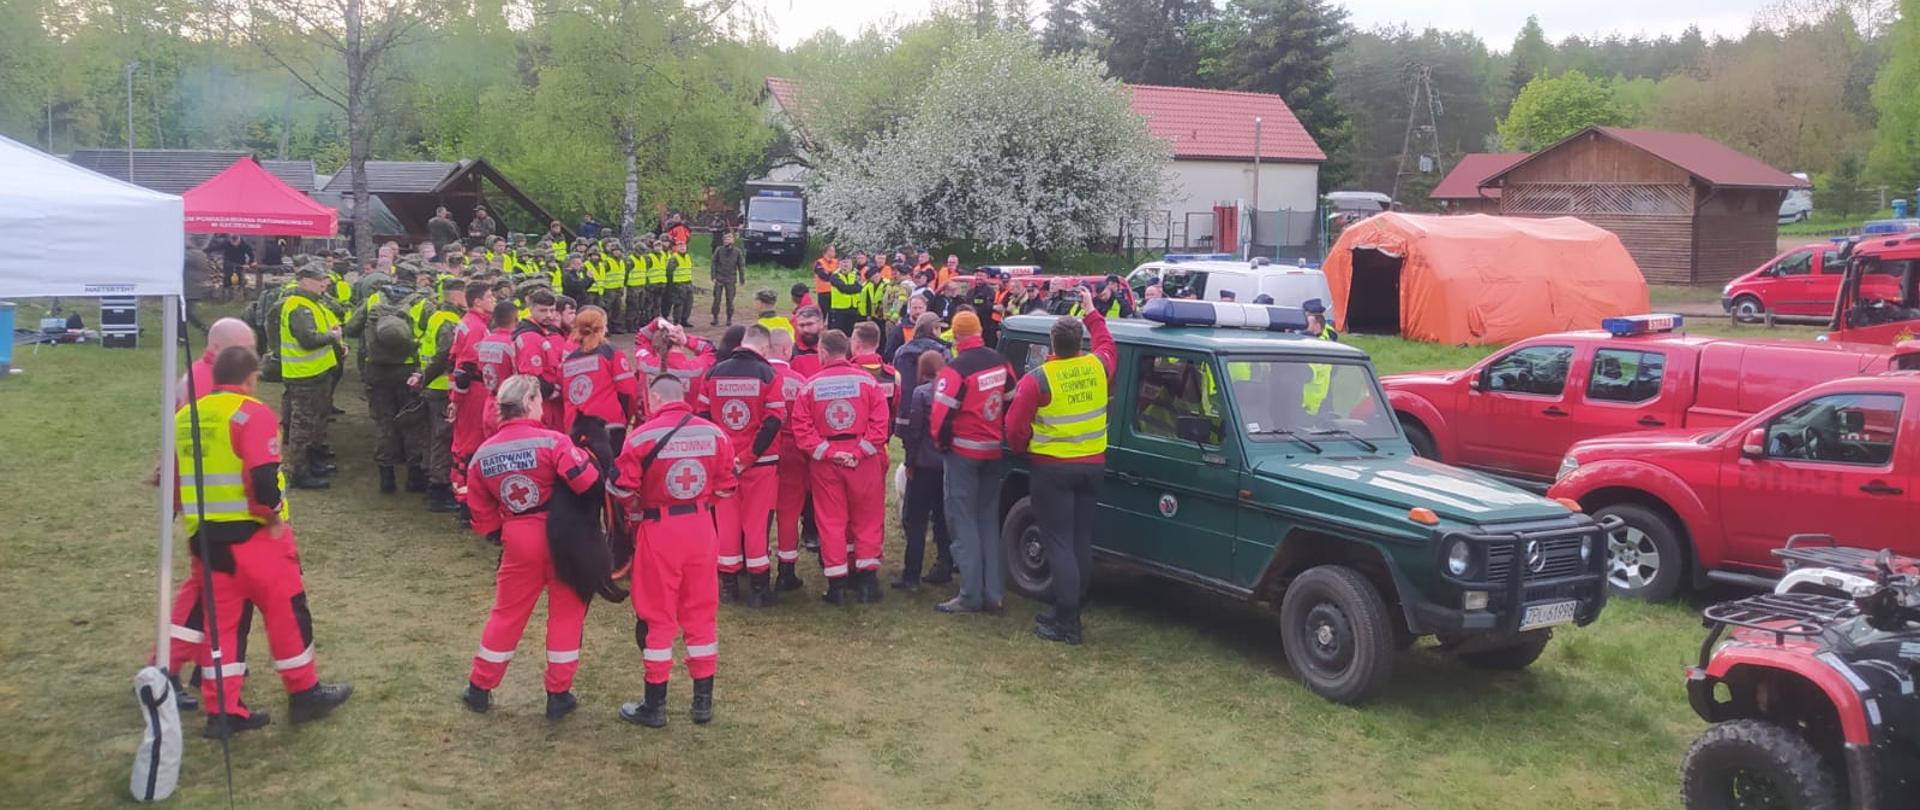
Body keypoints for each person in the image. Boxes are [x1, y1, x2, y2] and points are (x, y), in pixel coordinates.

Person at [176, 346, 353, 737]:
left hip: (206, 540)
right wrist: (271, 514)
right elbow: (262, 477)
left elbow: (176, 476)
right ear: (250, 376)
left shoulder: (187, 416)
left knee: (224, 627)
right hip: (255, 539)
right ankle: (304, 693)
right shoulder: (251, 413)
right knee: (287, 614)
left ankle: (222, 710)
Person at [459, 375, 603, 721]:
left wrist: (503, 530)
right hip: (563, 537)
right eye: (539, 400)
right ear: (529, 403)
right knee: (566, 614)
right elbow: (587, 483)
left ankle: (479, 688)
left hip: (517, 538)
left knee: (506, 614)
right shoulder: (553, 442)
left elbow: (480, 515)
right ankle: (558, 694)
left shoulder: (483, 454)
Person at [612, 375, 737, 728]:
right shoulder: (714, 434)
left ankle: (655, 704)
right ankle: (702, 703)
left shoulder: (641, 436)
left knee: (657, 616)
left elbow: (622, 489)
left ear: (654, 397)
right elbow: (727, 486)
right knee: (701, 613)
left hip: (660, 530)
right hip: (701, 528)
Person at [1005, 290, 1117, 645]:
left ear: (1051, 342)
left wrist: (1024, 450)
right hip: (1092, 466)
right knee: (1080, 539)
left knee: (1058, 543)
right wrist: (1091, 311)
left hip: (1053, 469)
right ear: (1079, 342)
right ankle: (1070, 605)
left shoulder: (1038, 379)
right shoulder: (1097, 366)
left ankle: (1068, 622)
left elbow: (1014, 427)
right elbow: (1107, 344)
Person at [788, 329, 891, 605]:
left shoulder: (810, 386)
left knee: (831, 521)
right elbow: (880, 426)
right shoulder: (868, 382)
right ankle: (868, 581)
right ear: (847, 350)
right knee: (867, 518)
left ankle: (837, 585)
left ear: (822, 351)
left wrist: (829, 453)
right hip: (863, 459)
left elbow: (802, 428)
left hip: (827, 463)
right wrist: (858, 453)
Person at [928, 310, 1014, 612]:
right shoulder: (1000, 361)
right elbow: (1011, 400)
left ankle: (970, 595)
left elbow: (939, 417)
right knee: (988, 521)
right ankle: (994, 593)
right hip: (993, 451)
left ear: (958, 335)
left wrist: (942, 445)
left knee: (962, 522)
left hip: (963, 454)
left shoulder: (956, 369)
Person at [698, 325, 785, 607]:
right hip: (760, 464)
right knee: (756, 525)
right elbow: (773, 421)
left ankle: (729, 587)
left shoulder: (712, 373)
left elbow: (703, 418)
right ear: (764, 348)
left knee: (726, 525)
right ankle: (759, 589)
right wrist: (748, 457)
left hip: (723, 464)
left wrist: (723, 457)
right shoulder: (769, 375)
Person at [344, 265, 429, 494]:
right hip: (409, 370)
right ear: (417, 279)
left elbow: (351, 328)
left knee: (384, 422)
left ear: (394, 277)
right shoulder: (423, 303)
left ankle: (387, 478)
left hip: (377, 369)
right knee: (412, 423)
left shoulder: (374, 298)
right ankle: (414, 478)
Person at [279, 266, 346, 489]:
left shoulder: (312, 303)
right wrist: (332, 336)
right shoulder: (299, 306)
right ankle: (298, 471)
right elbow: (308, 339)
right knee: (303, 424)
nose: (323, 285)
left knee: (316, 420)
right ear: (305, 281)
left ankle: (312, 460)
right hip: (304, 375)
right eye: (319, 281)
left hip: (317, 372)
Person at [895, 349, 953, 591]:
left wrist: (909, 462)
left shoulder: (921, 394)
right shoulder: (952, 391)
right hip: (947, 465)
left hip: (923, 466)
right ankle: (944, 565)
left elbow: (914, 432)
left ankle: (911, 576)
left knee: (915, 520)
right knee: (942, 519)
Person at [447, 282, 501, 526]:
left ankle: (468, 503)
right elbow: (465, 368)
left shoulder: (471, 323)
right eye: (489, 296)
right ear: (477, 301)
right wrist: (457, 401)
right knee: (470, 447)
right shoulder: (476, 327)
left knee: (468, 445)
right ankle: (467, 507)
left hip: (472, 391)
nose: (494, 300)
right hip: (473, 393)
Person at [561, 306, 637, 469]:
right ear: (602, 328)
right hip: (609, 424)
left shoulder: (569, 360)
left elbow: (567, 397)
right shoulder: (611, 353)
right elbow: (628, 391)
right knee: (611, 471)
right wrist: (625, 417)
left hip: (577, 427)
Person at [764, 328, 809, 592]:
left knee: (757, 514)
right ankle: (786, 571)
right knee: (789, 514)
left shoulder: (758, 379)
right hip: (793, 451)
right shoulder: (800, 381)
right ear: (786, 350)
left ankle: (751, 565)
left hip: (760, 452)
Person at [512, 289, 567, 432]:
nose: (549, 315)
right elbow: (532, 379)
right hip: (544, 404)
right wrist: (556, 390)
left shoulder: (549, 331)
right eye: (543, 311)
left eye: (552, 310)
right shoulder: (529, 337)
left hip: (553, 401)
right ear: (531, 309)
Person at [892, 312, 948, 436]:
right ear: (934, 329)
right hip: (932, 412)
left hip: (905, 414)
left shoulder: (901, 351)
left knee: (911, 451)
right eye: (939, 328)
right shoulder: (941, 351)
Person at [710, 231, 746, 326]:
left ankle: (729, 318)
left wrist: (742, 278)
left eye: (729, 238)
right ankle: (715, 318)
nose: (727, 240)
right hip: (719, 278)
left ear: (733, 240)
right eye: (726, 239)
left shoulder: (737, 251)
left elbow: (741, 266)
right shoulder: (719, 250)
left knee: (730, 300)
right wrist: (713, 276)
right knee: (716, 299)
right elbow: (713, 263)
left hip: (731, 279)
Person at [884, 294, 930, 359]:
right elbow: (889, 354)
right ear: (909, 309)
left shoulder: (930, 328)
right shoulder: (899, 329)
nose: (918, 311)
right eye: (915, 308)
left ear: (926, 308)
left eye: (920, 308)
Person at [666, 241, 696, 327]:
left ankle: (684, 320)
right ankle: (677, 321)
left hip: (688, 283)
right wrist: (673, 285)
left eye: (684, 246)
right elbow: (669, 272)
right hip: (678, 284)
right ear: (677, 248)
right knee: (679, 304)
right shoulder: (674, 258)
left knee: (688, 304)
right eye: (680, 246)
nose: (682, 248)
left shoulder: (687, 257)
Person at [218, 235, 253, 303]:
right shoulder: (226, 244)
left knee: (240, 281)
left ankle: (239, 298)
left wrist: (251, 262)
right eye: (233, 243)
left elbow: (250, 253)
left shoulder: (244, 244)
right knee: (227, 280)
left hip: (240, 264)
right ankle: (226, 298)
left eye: (236, 242)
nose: (235, 244)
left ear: (239, 240)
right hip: (229, 266)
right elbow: (226, 259)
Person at [811, 246, 840, 314]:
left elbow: (841, 274)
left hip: (835, 291)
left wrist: (829, 273)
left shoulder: (837, 262)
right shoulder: (819, 262)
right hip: (823, 292)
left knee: (833, 314)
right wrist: (834, 273)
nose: (834, 253)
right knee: (822, 313)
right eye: (833, 251)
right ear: (827, 252)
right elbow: (823, 276)